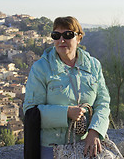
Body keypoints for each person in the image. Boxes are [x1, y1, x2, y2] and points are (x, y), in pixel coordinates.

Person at [23, 16, 110, 159]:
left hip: (86, 144)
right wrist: (66, 113)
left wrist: (95, 131)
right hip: (52, 148)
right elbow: (30, 111)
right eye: (56, 35)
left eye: (68, 35)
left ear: (79, 38)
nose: (61, 40)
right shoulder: (40, 68)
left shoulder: (93, 65)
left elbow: (103, 102)